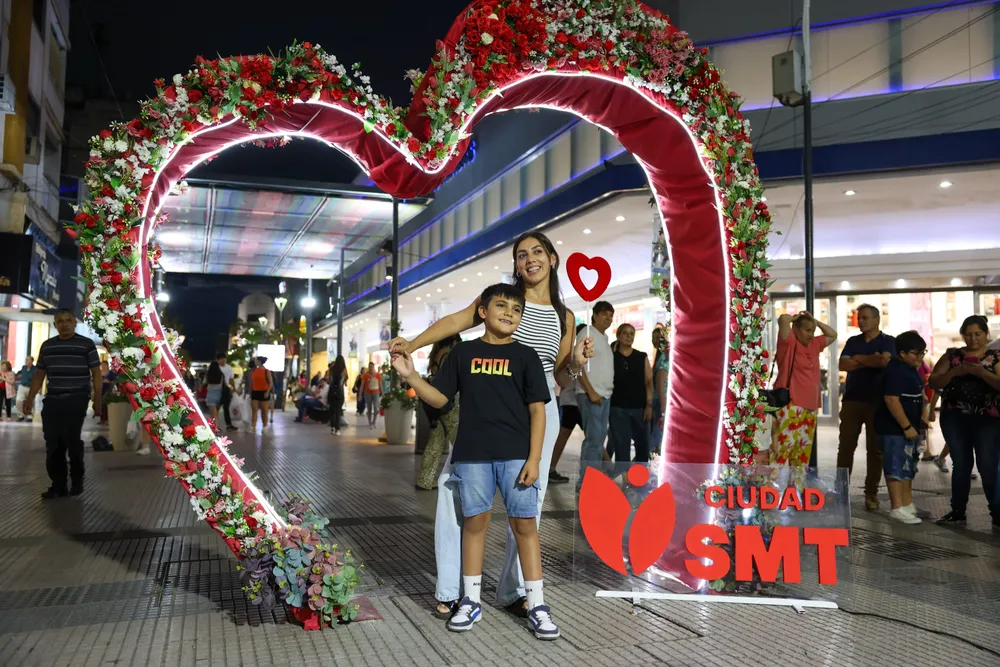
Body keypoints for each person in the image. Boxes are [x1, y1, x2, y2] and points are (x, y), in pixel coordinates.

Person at [389, 231, 592, 620]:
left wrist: (578, 362)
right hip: (485, 409)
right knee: (454, 497)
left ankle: (515, 590)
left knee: (526, 506)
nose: (529, 259)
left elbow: (562, 377)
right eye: (521, 255)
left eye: (537, 252)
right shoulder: (499, 299)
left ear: (553, 259)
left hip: (538, 413)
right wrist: (411, 345)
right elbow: (452, 322)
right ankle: (452, 589)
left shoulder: (564, 316)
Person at [929, 315, 1000, 526]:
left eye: (977, 334)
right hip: (955, 418)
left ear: (986, 334)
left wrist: (982, 373)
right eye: (968, 334)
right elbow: (934, 381)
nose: (973, 338)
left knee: (988, 465)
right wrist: (956, 372)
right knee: (961, 464)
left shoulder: (995, 356)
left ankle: (996, 513)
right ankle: (957, 511)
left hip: (988, 419)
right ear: (963, 335)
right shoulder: (952, 356)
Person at [25, 309, 101, 499]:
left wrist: (98, 399)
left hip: (77, 397)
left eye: (68, 320)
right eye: (60, 321)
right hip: (53, 399)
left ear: (75, 323)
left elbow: (97, 374)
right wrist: (29, 399)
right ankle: (58, 484)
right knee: (53, 441)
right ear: (55, 324)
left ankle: (76, 480)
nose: (64, 324)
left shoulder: (86, 344)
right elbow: (39, 375)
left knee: (71, 437)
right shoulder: (47, 346)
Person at [836, 305, 896, 511]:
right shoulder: (853, 341)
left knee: (875, 450)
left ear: (877, 320)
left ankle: (871, 494)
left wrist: (858, 359)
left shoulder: (888, 341)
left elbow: (883, 362)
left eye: (865, 318)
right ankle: (841, 493)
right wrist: (869, 359)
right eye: (859, 318)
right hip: (852, 401)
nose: (860, 321)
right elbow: (843, 366)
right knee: (845, 448)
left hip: (876, 402)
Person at [771, 312, 837, 466]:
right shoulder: (789, 342)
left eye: (813, 331)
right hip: (791, 404)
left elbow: (833, 334)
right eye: (807, 330)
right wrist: (796, 318)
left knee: (801, 457)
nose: (811, 334)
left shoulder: (814, 344)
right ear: (795, 329)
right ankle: (770, 489)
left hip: (810, 407)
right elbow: (783, 319)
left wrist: (815, 321)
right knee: (780, 452)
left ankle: (797, 489)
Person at [875, 330, 928, 524]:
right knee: (896, 467)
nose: (920, 357)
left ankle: (907, 504)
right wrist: (906, 426)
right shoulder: (895, 371)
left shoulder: (910, 369)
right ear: (902, 353)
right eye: (916, 353)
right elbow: (891, 400)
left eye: (923, 352)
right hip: (894, 429)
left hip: (909, 428)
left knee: (908, 466)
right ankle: (896, 507)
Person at [576, 301, 615, 488]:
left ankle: (589, 481)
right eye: (605, 314)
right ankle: (586, 484)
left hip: (604, 395)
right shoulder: (588, 334)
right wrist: (590, 391)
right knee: (593, 441)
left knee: (598, 440)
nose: (608, 318)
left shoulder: (603, 338)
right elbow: (577, 365)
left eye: (611, 315)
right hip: (591, 395)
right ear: (595, 315)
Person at [416, 335, 463, 490]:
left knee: (435, 443)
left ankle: (425, 480)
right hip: (449, 402)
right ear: (454, 341)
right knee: (460, 440)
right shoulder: (449, 354)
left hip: (436, 402)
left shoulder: (436, 354)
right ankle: (466, 477)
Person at [548, 323, 589, 485]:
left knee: (565, 436)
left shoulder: (575, 352)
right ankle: (609, 467)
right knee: (592, 436)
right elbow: (573, 376)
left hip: (570, 401)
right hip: (572, 401)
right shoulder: (574, 354)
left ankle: (551, 468)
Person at [608, 323, 653, 468]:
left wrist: (649, 405)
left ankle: (640, 478)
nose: (629, 336)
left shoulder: (641, 357)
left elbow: (648, 382)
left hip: (639, 408)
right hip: (618, 409)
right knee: (622, 447)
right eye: (625, 333)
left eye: (632, 333)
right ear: (619, 336)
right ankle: (626, 480)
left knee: (642, 446)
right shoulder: (612, 358)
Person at [649, 325, 670, 455]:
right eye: (653, 338)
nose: (655, 340)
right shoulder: (663, 356)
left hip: (659, 400)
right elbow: (660, 379)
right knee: (657, 436)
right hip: (660, 400)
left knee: (657, 436)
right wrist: (663, 403)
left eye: (658, 337)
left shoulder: (663, 355)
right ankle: (638, 466)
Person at [248, 357, 273, 431]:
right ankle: (253, 426)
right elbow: (252, 382)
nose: (255, 362)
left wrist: (267, 392)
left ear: (259, 362)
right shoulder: (254, 370)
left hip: (264, 392)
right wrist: (250, 391)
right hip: (255, 392)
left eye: (256, 361)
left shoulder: (266, 371)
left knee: (264, 410)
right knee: (254, 410)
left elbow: (270, 383)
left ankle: (265, 426)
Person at [217, 353, 238, 432]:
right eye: (221, 359)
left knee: (226, 408)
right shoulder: (216, 367)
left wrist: (234, 389)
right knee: (216, 408)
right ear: (218, 360)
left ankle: (229, 425)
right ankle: (215, 425)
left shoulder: (228, 367)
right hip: (218, 389)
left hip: (226, 389)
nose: (223, 361)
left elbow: (231, 378)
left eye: (224, 359)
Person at [327, 356, 348, 433]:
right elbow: (343, 382)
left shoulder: (331, 369)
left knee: (332, 410)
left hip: (332, 391)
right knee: (338, 411)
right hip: (340, 392)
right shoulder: (344, 370)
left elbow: (329, 380)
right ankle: (337, 429)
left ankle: (332, 427)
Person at [361, 362, 382, 429]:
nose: (371, 368)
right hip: (368, 393)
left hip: (376, 392)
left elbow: (380, 384)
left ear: (374, 367)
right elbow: (362, 385)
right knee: (369, 408)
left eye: (372, 366)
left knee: (376, 408)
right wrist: (360, 394)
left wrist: (383, 393)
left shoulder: (378, 375)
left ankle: (374, 421)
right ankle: (370, 422)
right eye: (369, 366)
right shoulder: (365, 375)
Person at [15, 355, 36, 421]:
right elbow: (19, 373)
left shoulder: (35, 369)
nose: (26, 361)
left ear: (32, 361)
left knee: (31, 402)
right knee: (19, 400)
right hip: (22, 386)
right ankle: (20, 416)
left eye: (27, 360)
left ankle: (30, 416)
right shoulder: (23, 367)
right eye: (25, 360)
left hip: (31, 387)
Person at [205, 358, 225, 423]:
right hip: (218, 394)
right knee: (216, 412)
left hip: (210, 394)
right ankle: (214, 426)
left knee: (212, 413)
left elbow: (204, 382)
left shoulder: (208, 374)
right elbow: (222, 384)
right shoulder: (221, 374)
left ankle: (214, 427)